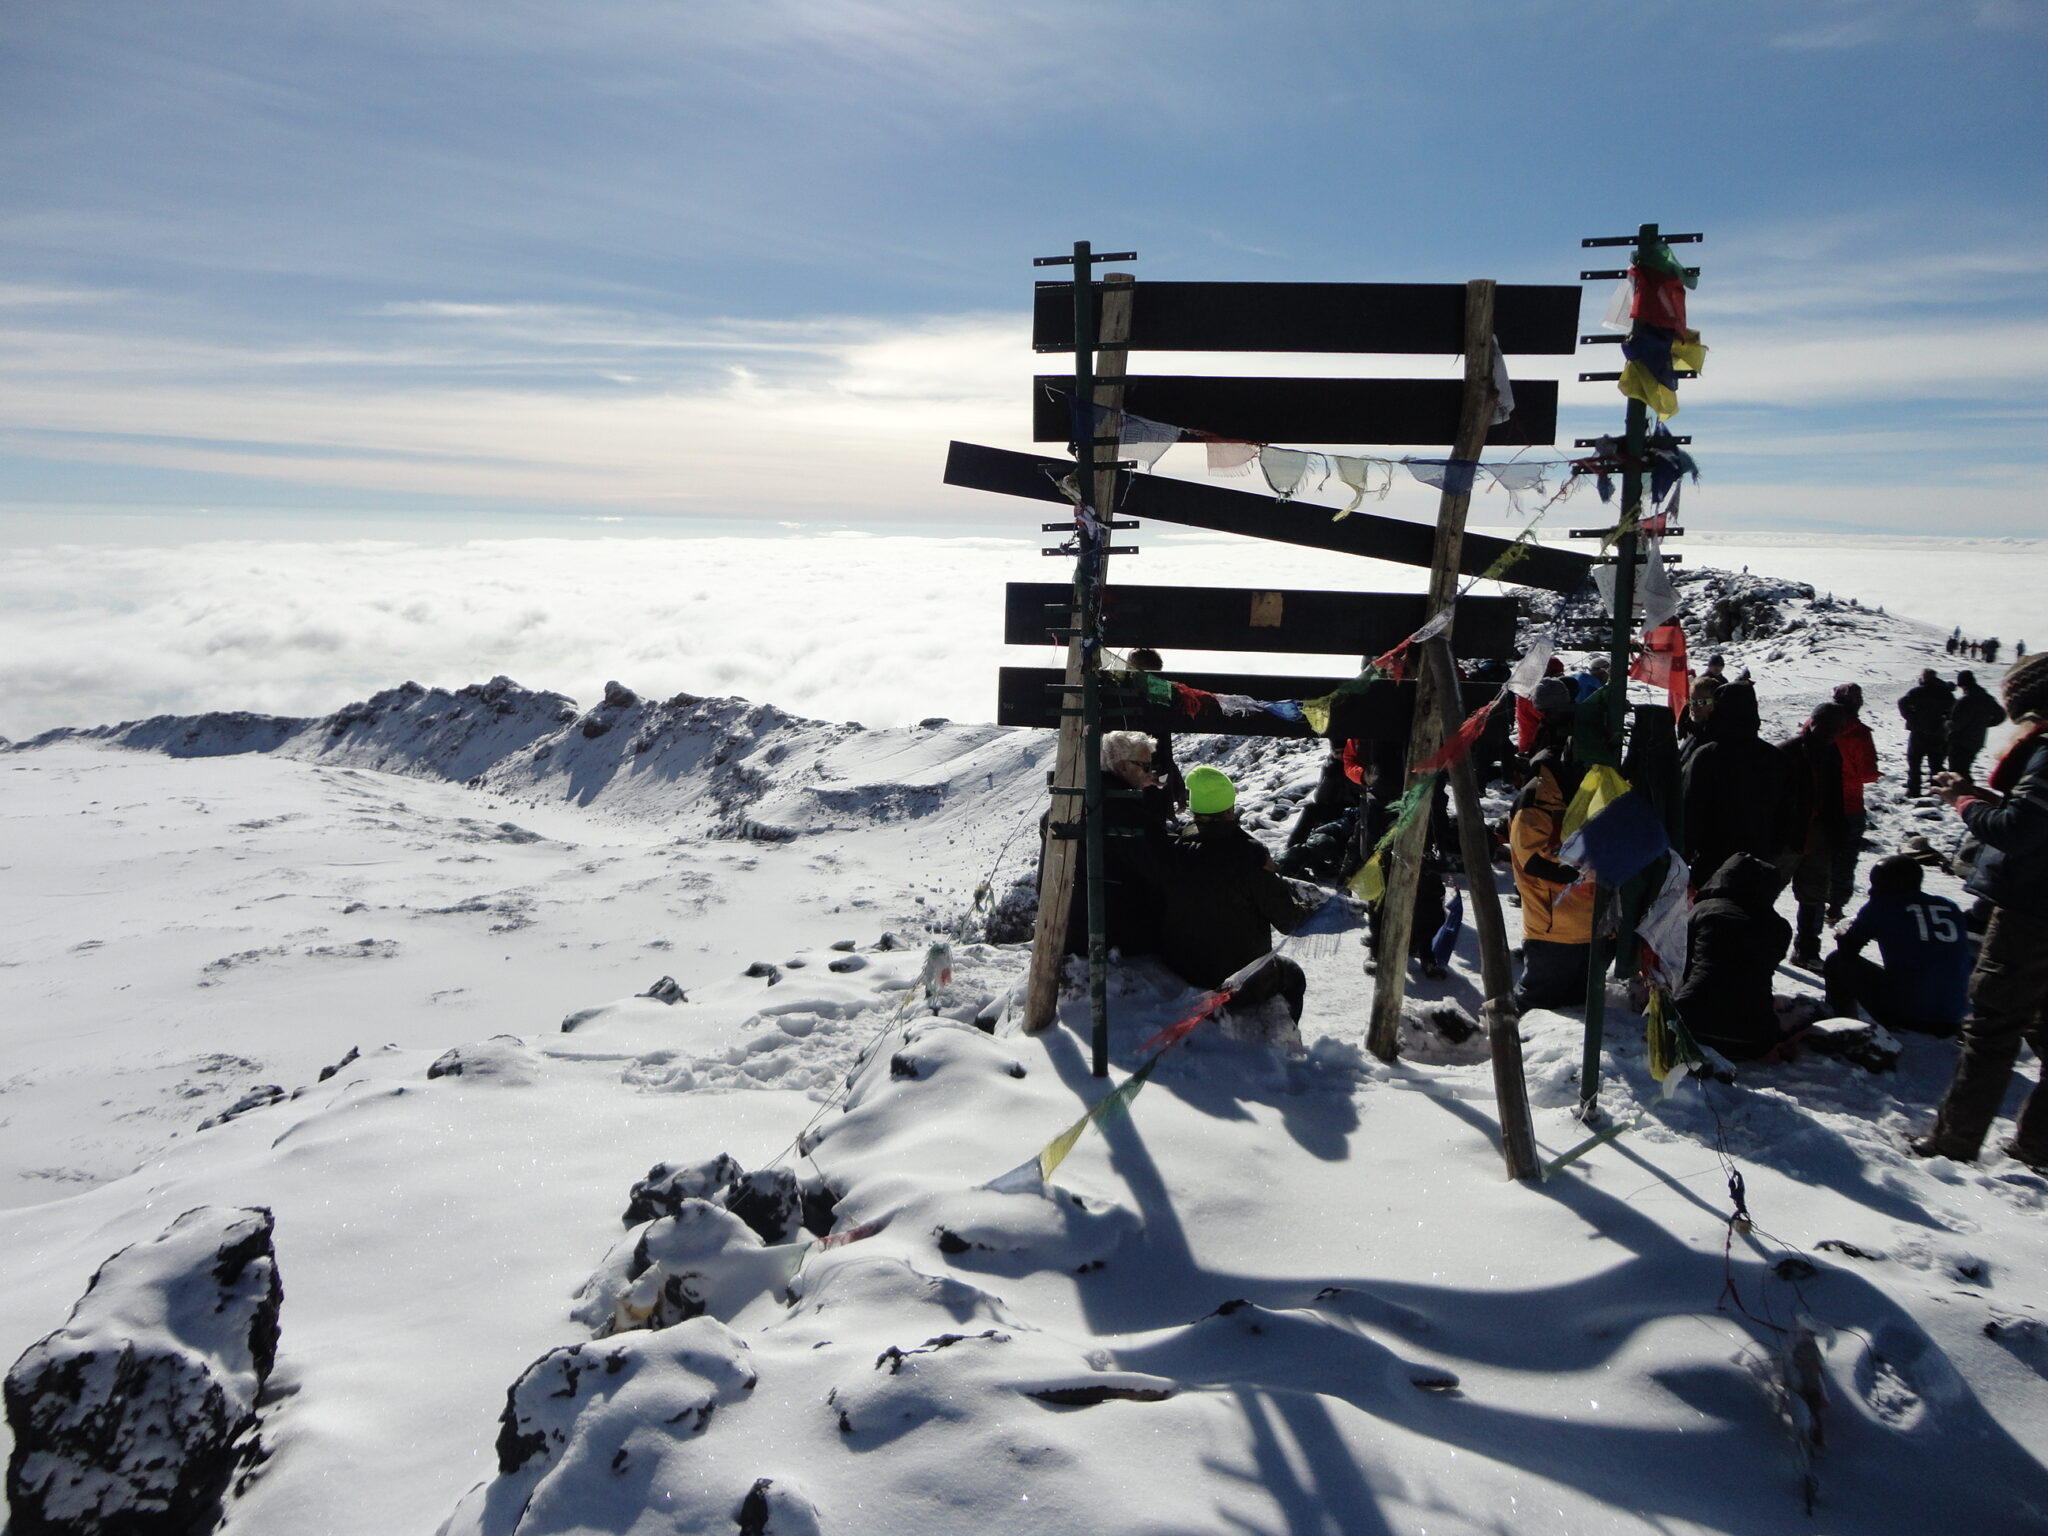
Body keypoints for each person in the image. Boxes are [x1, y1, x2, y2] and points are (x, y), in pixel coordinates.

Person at [1915, 655, 2048, 1169]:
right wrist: (1987, 799)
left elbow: (2019, 830)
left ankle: (1953, 1143)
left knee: (1993, 1027)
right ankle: (2037, 1144)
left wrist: (1964, 803)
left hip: (2031, 909)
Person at [1137, 765, 1318, 1023]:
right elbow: (1289, 921)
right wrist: (1305, 906)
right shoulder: (1250, 855)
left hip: (1182, 967)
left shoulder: (1175, 849)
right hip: (1237, 981)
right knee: (1294, 976)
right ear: (1228, 809)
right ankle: (1283, 1037)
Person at [1509, 679, 1592, 1011]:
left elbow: (1531, 858)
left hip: (1559, 926)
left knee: (1545, 1002)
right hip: (1575, 924)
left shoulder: (1542, 796)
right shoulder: (1550, 795)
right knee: (1562, 1002)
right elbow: (1535, 859)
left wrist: (1576, 873)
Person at [1823, 856, 1971, 1036]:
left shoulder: (1883, 905)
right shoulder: (1950, 907)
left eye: (1877, 884)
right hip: (1954, 1018)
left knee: (1836, 962)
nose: (1871, 890)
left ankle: (1840, 1028)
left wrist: (1845, 932)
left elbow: (1848, 949)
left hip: (1907, 1016)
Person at [1058, 730, 1173, 958]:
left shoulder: (1075, 801)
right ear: (1122, 767)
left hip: (1072, 926)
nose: (1150, 773)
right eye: (1145, 766)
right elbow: (1161, 867)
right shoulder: (1125, 811)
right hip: (1117, 934)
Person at [1673, 854, 1794, 1062]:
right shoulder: (1780, 928)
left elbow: (1682, 963)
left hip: (1690, 1023)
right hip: (1755, 1037)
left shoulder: (1703, 911)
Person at [1681, 681, 1792, 884]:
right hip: (1757, 861)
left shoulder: (1707, 755)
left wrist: (1684, 857)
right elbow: (1787, 814)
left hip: (1711, 861)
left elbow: (1690, 810)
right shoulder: (1776, 758)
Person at [1779, 701, 1851, 968]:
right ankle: (1756, 943)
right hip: (1787, 835)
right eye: (1828, 728)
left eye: (1836, 730)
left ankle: (1807, 950)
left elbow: (1836, 796)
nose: (1832, 734)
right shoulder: (1788, 751)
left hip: (1819, 835)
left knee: (1814, 896)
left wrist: (1838, 832)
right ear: (1813, 723)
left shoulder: (1832, 753)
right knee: (1765, 890)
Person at [1827, 683, 1881, 923]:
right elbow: (1868, 774)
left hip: (1817, 800)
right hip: (1849, 805)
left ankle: (1811, 905)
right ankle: (1835, 906)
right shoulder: (1860, 733)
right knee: (1846, 858)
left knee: (1816, 854)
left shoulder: (1814, 724)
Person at [1124, 650, 1187, 810]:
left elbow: (1163, 751)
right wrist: (1176, 785)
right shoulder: (1158, 704)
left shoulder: (1114, 698)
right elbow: (1162, 752)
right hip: (1148, 793)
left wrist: (1177, 784)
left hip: (1118, 790)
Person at [1896, 669, 1954, 798]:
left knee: (1914, 761)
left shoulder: (1917, 692)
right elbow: (1953, 710)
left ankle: (1914, 789)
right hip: (1938, 733)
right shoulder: (1945, 692)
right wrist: (1945, 721)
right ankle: (1937, 790)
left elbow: (1902, 702)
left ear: (1924, 678)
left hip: (1918, 732)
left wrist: (1910, 717)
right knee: (1936, 763)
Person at [1947, 670, 2007, 780]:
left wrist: (1946, 724)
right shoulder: (1987, 698)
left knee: (1957, 771)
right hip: (1977, 739)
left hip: (1960, 741)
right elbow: (2001, 715)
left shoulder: (1964, 700)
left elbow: (1957, 725)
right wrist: (1983, 724)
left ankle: (1964, 789)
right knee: (1964, 769)